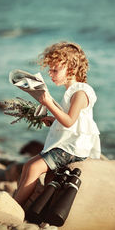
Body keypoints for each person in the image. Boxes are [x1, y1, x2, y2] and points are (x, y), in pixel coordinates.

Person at [14, 42, 101, 208]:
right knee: (27, 165)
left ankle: (15, 208)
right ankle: (16, 203)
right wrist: (52, 120)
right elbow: (74, 121)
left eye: (55, 70)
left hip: (74, 148)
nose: (51, 74)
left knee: (33, 168)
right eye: (50, 70)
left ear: (72, 69)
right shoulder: (72, 92)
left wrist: (48, 103)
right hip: (67, 144)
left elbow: (69, 121)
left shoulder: (81, 93)